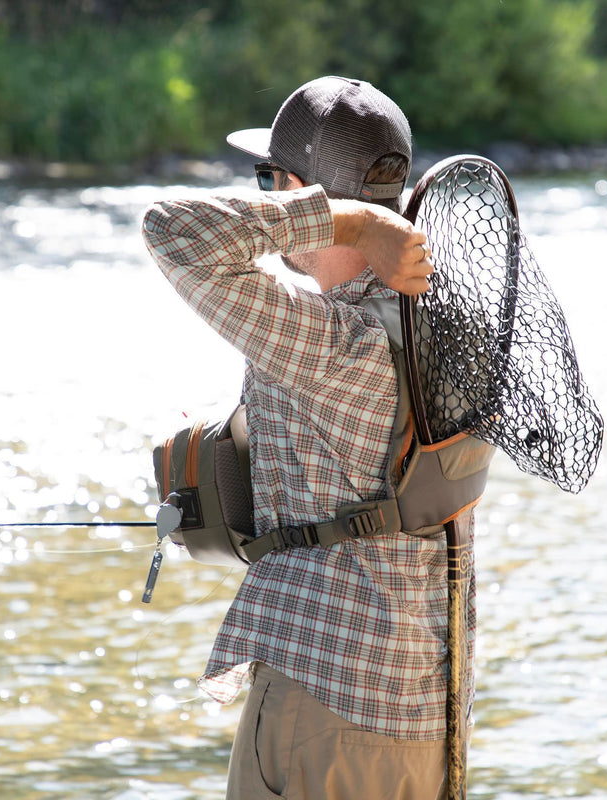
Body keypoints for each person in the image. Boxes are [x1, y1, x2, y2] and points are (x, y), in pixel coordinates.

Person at [142, 76, 452, 800]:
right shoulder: (448, 327)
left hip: (323, 708)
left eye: (266, 180)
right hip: (426, 712)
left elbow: (170, 227)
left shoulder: (328, 340)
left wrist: (341, 224)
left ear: (290, 189)